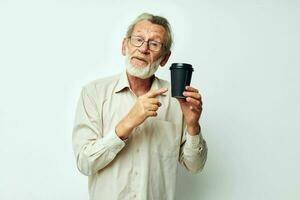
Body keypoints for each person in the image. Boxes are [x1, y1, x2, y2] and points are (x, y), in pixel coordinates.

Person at [72, 12, 208, 200]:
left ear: (165, 58)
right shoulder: (93, 93)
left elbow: (195, 166)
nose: (143, 48)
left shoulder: (178, 100)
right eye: (138, 39)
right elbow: (85, 163)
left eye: (154, 44)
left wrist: (193, 126)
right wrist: (127, 123)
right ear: (124, 46)